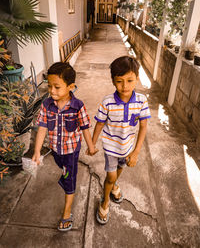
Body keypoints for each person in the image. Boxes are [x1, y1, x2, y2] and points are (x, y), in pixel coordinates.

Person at [32, 62, 98, 231]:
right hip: (56, 151)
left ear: (71, 87)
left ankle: (67, 213)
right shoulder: (47, 105)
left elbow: (84, 128)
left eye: (57, 87)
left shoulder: (77, 107)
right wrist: (37, 151)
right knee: (62, 168)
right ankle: (66, 173)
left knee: (69, 179)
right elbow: (42, 128)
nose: (52, 91)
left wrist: (90, 146)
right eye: (49, 86)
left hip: (71, 152)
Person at [92, 56, 151, 224]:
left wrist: (136, 152)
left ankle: (114, 186)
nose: (125, 86)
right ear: (113, 81)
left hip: (127, 148)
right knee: (110, 177)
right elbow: (99, 123)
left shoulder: (141, 101)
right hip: (111, 147)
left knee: (119, 169)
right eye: (119, 81)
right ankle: (105, 202)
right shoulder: (108, 102)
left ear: (137, 79)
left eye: (130, 80)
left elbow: (143, 127)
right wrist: (92, 143)